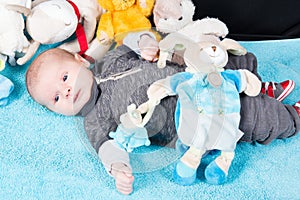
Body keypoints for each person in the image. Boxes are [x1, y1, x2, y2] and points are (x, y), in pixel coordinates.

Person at [25, 35, 300, 195]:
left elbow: (133, 43)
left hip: (198, 76)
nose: (67, 90)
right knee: (254, 118)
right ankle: (291, 117)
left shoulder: (110, 61)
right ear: (55, 110)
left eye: (64, 77)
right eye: (56, 98)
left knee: (232, 60)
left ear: (80, 61)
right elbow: (108, 149)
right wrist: (118, 168)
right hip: (200, 119)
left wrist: (147, 45)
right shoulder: (94, 121)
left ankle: (258, 86)